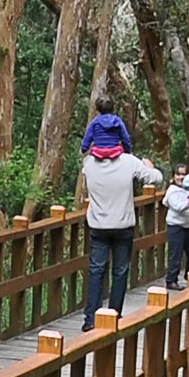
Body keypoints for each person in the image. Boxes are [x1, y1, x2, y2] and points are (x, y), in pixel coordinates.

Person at [76, 107, 163, 316]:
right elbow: (157, 179)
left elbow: (85, 153)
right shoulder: (129, 162)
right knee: (120, 271)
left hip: (98, 226)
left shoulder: (88, 165)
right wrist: (149, 166)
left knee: (97, 270)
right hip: (123, 225)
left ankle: (90, 317)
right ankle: (113, 314)